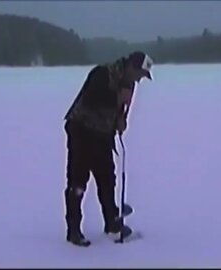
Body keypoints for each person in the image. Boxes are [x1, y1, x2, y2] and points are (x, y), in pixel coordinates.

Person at [62, 51, 153, 247]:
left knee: (107, 179)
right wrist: (117, 99)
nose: (139, 80)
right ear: (131, 67)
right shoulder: (102, 73)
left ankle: (112, 224)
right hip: (81, 131)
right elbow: (92, 100)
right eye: (139, 75)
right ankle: (74, 231)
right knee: (78, 182)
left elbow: (118, 112)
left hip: (102, 135)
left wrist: (121, 122)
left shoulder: (129, 84)